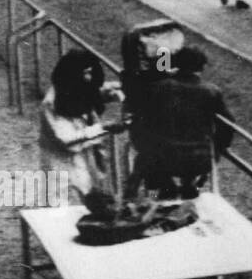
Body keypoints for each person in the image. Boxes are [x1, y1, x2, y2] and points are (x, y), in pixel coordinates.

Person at [127, 46, 233, 200]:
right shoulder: (212, 91)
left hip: (163, 158)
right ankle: (190, 189)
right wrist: (217, 149)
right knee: (183, 166)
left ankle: (156, 196)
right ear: (202, 67)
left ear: (176, 64)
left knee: (148, 163)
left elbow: (140, 121)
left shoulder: (159, 87)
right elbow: (228, 124)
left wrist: (142, 145)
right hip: (200, 159)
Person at [39, 50, 124, 201]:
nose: (88, 78)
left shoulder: (79, 90)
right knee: (66, 207)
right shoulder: (51, 103)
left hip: (87, 159)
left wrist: (119, 88)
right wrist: (104, 127)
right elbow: (65, 139)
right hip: (63, 163)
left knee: (94, 203)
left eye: (91, 73)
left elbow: (98, 91)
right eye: (85, 73)